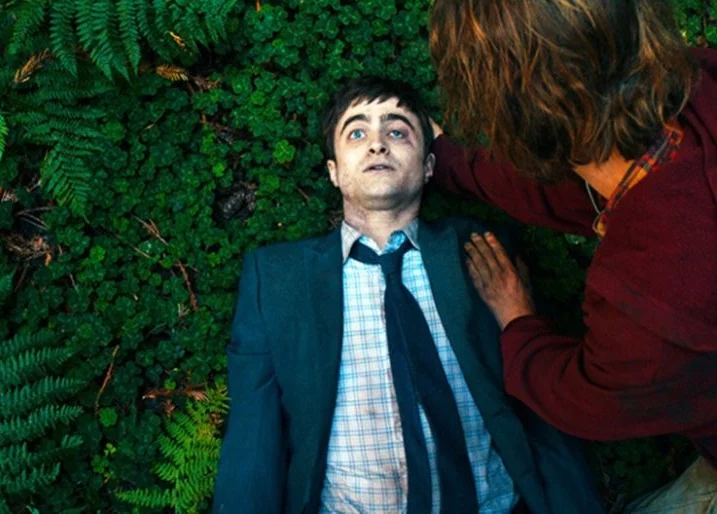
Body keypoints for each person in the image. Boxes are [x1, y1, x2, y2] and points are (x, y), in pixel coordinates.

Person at [212, 77, 604, 514]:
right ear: (334, 172)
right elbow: (252, 441)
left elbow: (540, 408)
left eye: (398, 131)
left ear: (430, 166)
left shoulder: (480, 251)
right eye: (356, 133)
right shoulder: (276, 279)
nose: (377, 144)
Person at [429, 0, 717, 511]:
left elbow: (591, 401)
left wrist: (519, 324)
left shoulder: (649, 311)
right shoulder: (702, 78)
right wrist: (449, 162)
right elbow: (584, 177)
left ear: (519, 121)